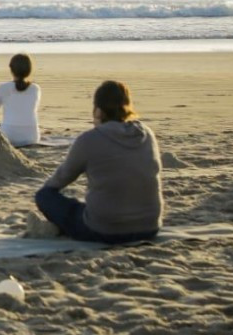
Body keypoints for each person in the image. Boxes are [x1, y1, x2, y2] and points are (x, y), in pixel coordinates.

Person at [33, 80, 163, 244]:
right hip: (149, 227)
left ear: (98, 110)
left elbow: (60, 180)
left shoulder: (89, 139)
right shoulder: (147, 134)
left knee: (44, 196)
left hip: (104, 230)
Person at [0, 53, 42, 146]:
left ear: (11, 69)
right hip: (32, 137)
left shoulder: (3, 87)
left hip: (9, 136)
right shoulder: (35, 88)